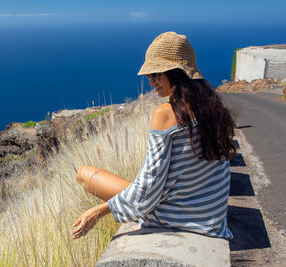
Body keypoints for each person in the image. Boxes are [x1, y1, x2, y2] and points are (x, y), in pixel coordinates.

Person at [72, 31, 237, 240]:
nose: (151, 82)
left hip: (175, 217)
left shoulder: (166, 114)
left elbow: (148, 190)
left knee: (85, 175)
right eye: (149, 76)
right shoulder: (212, 107)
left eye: (155, 75)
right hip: (211, 218)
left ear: (175, 72)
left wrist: (99, 211)